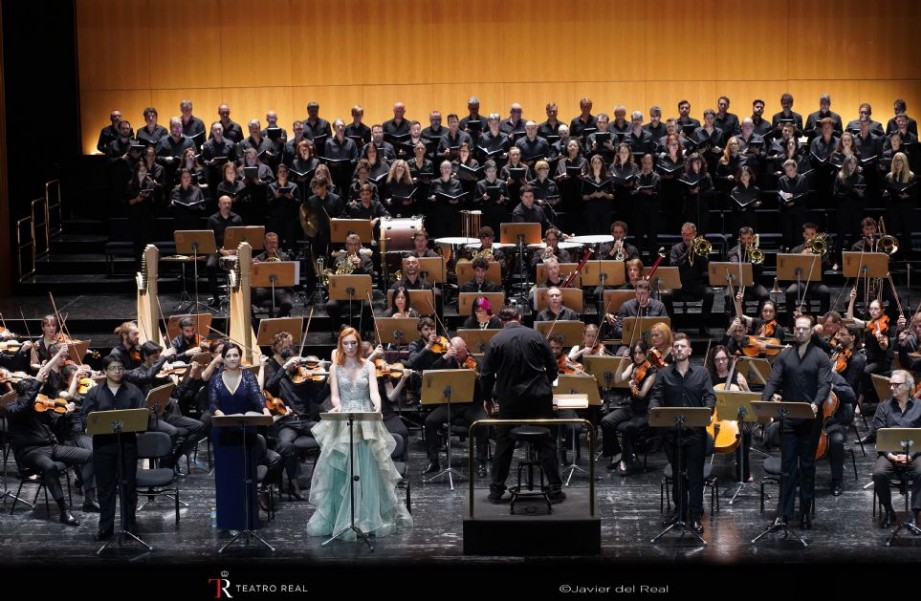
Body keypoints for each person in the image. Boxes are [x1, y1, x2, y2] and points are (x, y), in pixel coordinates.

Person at [306, 328, 412, 537]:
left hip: (365, 415)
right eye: (346, 343)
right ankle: (341, 518)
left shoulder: (370, 366)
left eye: (354, 343)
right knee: (342, 468)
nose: (351, 347)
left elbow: (373, 391)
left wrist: (377, 405)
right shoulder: (335, 367)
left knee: (367, 467)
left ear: (359, 343)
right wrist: (337, 406)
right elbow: (335, 396)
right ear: (341, 344)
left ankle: (367, 518)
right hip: (345, 414)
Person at [481, 305, 565, 504]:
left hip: (510, 400)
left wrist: (487, 398)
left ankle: (496, 491)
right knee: (546, 442)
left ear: (502, 321)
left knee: (504, 444)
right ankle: (554, 489)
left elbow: (485, 375)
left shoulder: (495, 340)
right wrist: (544, 383)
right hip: (539, 398)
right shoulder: (536, 336)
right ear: (520, 318)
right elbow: (553, 368)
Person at [761, 315, 832, 531]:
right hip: (789, 421)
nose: (800, 332)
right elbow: (773, 381)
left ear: (811, 331)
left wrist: (816, 403)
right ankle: (784, 513)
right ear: (794, 330)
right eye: (798, 329)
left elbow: (825, 385)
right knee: (787, 467)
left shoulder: (821, 356)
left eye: (804, 329)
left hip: (811, 420)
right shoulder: (785, 356)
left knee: (807, 467)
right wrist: (765, 403)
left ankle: (805, 514)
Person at [5, 361, 95, 527]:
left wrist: (65, 416)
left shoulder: (41, 407)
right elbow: (25, 405)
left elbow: (56, 427)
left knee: (91, 456)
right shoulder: (12, 409)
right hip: (30, 452)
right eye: (35, 393)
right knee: (50, 467)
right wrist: (38, 380)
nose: (39, 396)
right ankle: (63, 511)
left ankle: (89, 500)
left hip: (51, 447)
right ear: (24, 395)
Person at [649, 333, 715, 535]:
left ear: (689, 351)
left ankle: (695, 515)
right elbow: (656, 397)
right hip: (672, 434)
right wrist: (654, 409)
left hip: (695, 434)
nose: (678, 349)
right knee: (678, 475)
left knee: (695, 476)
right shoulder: (663, 374)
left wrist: (708, 411)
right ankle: (679, 511)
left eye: (682, 346)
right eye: (675, 346)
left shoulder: (702, 373)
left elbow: (710, 396)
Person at [81, 353, 147, 540]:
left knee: (128, 487)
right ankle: (105, 526)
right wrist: (88, 425)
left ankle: (129, 525)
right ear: (104, 371)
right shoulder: (94, 392)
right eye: (113, 368)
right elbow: (84, 416)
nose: (117, 371)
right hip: (103, 447)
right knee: (105, 488)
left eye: (120, 368)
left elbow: (143, 417)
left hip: (127, 446)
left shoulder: (134, 391)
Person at [209, 343, 271, 532]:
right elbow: (213, 404)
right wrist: (224, 418)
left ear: (240, 357)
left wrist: (266, 411)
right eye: (229, 356)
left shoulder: (249, 377)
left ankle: (247, 521)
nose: (233, 358)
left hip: (246, 431)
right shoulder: (216, 379)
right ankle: (228, 522)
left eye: (236, 355)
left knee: (246, 477)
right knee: (227, 479)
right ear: (223, 359)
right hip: (224, 431)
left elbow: (256, 396)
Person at [422, 336, 490, 477]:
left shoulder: (475, 362)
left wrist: (478, 378)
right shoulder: (447, 361)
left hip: (471, 405)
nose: (458, 354)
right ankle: (433, 462)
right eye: (455, 351)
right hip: (451, 404)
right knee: (430, 421)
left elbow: (486, 387)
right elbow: (432, 372)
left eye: (460, 351)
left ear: (466, 347)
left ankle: (482, 463)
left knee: (483, 424)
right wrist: (446, 356)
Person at [870, 369, 921, 530]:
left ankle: (914, 515)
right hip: (889, 453)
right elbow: (878, 435)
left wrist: (911, 457)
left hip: (914, 453)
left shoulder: (919, 407)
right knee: (878, 473)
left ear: (907, 387)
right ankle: (889, 511)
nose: (891, 388)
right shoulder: (884, 407)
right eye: (890, 384)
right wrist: (891, 456)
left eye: (896, 385)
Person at [603, 340, 655, 475]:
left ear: (646, 353)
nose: (637, 356)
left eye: (640, 353)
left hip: (644, 411)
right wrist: (622, 361)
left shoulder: (651, 371)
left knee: (628, 428)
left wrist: (632, 386)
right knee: (606, 421)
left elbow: (642, 394)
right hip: (631, 408)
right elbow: (617, 380)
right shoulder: (633, 366)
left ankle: (625, 462)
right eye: (635, 353)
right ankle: (616, 453)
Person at [665, 222, 714, 336]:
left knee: (709, 294)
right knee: (666, 295)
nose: (686, 237)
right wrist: (686, 254)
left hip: (695, 284)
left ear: (695, 234)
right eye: (684, 234)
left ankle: (703, 325)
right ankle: (672, 325)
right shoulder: (675, 249)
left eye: (689, 234)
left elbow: (706, 267)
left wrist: (698, 254)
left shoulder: (701, 246)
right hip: (679, 284)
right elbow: (673, 267)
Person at [206, 195, 244, 306]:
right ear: (219, 205)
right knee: (210, 265)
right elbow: (209, 239)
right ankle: (216, 297)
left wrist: (235, 249)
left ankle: (237, 295)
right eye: (224, 203)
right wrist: (220, 250)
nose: (227, 205)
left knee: (241, 264)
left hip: (233, 250)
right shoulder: (212, 219)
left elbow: (243, 237)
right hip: (217, 250)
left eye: (229, 203)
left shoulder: (237, 218)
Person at [251, 232, 294, 318]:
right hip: (263, 288)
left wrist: (283, 265)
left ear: (278, 243)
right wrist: (253, 266)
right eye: (269, 243)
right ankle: (254, 324)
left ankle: (277, 321)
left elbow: (290, 277)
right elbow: (254, 277)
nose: (272, 245)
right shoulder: (259, 258)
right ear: (265, 244)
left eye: (274, 243)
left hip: (280, 288)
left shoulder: (284, 257)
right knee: (247, 301)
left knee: (287, 304)